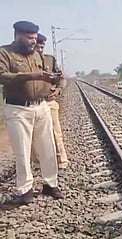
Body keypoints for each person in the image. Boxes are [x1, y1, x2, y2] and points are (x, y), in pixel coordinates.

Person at [0, 21, 64, 207]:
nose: (33, 42)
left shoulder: (38, 54)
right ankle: (25, 190)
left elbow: (52, 75)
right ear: (18, 35)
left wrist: (55, 83)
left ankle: (51, 184)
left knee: (48, 148)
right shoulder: (5, 53)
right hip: (18, 109)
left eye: (35, 38)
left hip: (41, 106)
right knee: (22, 151)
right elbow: (3, 76)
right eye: (29, 38)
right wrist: (33, 76)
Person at [31, 33, 69, 176]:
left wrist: (58, 90)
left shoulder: (50, 60)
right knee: (34, 136)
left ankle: (61, 162)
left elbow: (61, 79)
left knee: (55, 133)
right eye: (38, 44)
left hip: (48, 102)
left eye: (42, 45)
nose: (40, 47)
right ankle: (37, 164)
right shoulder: (26, 61)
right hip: (31, 104)